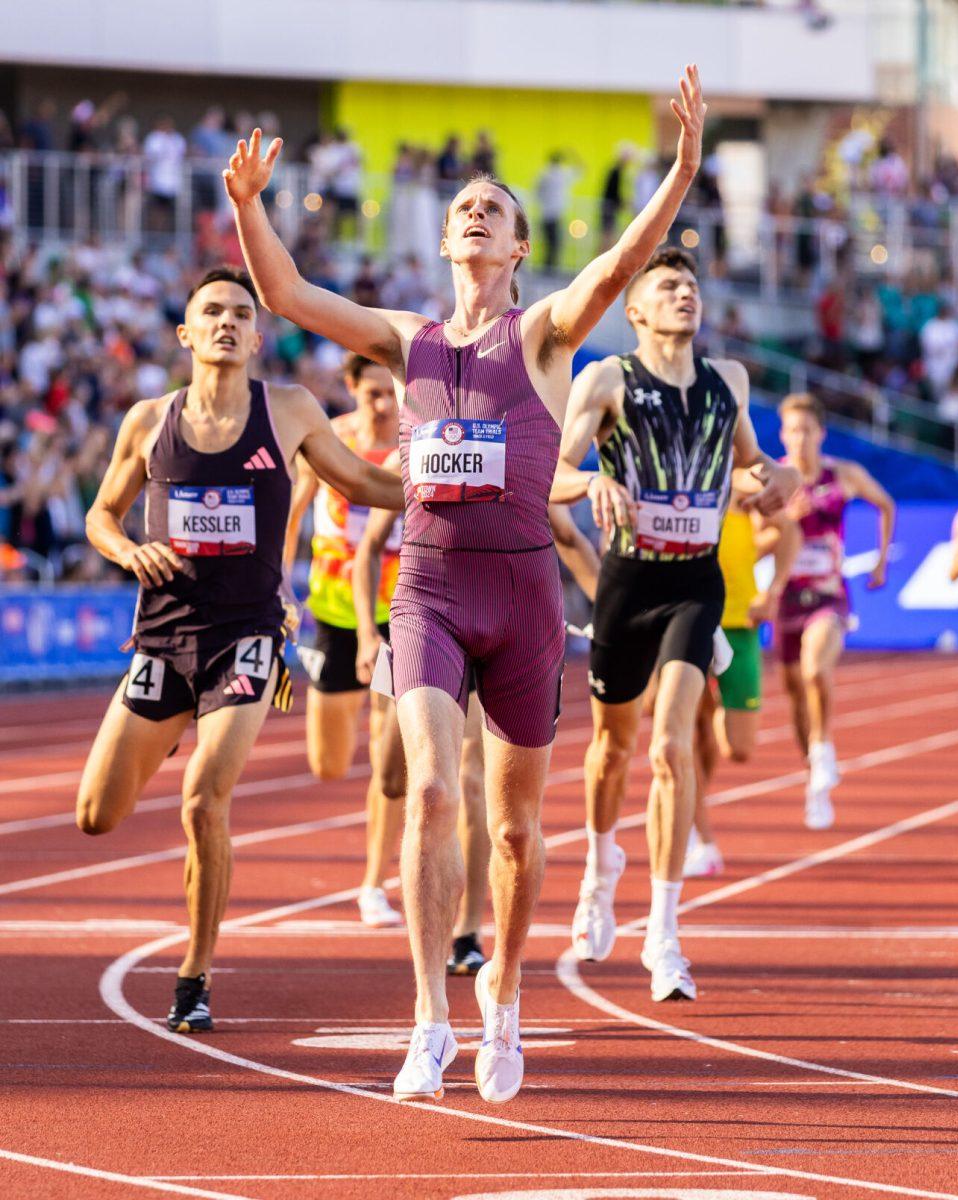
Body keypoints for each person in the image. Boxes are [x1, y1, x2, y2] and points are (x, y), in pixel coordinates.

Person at [224, 65, 706, 1103]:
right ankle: (429, 1021)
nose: (476, 213)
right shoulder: (411, 339)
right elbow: (289, 296)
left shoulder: (542, 335)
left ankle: (506, 1006)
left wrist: (682, 169)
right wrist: (251, 208)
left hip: (526, 596)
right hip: (432, 587)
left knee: (515, 828)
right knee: (432, 792)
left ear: (520, 247)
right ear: (447, 243)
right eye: (463, 208)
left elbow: (620, 264)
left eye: (495, 208)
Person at [75, 267, 403, 1034]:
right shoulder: (148, 421)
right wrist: (127, 552)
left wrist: (459, 488)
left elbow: (358, 479)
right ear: (187, 335)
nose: (227, 322)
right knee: (94, 817)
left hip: (248, 639)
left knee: (202, 799)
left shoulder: (287, 410)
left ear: (258, 337)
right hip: (162, 635)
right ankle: (165, 728)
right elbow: (99, 515)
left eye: (240, 314)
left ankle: (195, 974)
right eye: (211, 312)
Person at [551, 246, 800, 1002]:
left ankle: (664, 935)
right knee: (611, 749)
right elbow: (550, 475)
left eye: (691, 285)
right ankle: (600, 869)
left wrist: (775, 479)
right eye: (668, 286)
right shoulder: (606, 380)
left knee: (671, 746)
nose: (685, 295)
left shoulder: (730, 381)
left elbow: (755, 464)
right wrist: (592, 478)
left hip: (697, 582)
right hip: (628, 582)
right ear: (637, 310)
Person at [284, 353, 406, 928]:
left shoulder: (418, 441)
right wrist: (279, 584)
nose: (383, 405)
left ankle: (373, 883)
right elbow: (292, 514)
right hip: (334, 608)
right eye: (372, 394)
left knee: (389, 755)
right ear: (352, 390)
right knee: (330, 764)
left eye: (392, 392)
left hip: (404, 608)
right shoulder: (327, 439)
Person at [354, 496, 489, 975]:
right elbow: (368, 545)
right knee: (394, 778)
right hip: (415, 624)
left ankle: (467, 930)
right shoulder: (409, 450)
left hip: (482, 624)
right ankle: (378, 881)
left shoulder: (506, 440)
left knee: (467, 779)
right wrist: (367, 636)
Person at [775, 392, 895, 830]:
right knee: (795, 699)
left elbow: (885, 503)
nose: (799, 439)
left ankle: (824, 747)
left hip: (828, 595)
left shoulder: (842, 474)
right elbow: (753, 542)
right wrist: (786, 520)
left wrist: (881, 559)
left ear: (820, 433)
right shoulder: (774, 479)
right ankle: (814, 782)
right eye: (791, 431)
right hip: (785, 598)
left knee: (815, 669)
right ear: (782, 435)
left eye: (806, 430)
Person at [685, 483, 800, 878]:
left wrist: (774, 590)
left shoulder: (740, 485)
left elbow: (790, 530)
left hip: (738, 625)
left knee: (737, 746)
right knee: (683, 731)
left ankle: (686, 803)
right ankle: (699, 836)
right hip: (690, 618)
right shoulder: (676, 478)